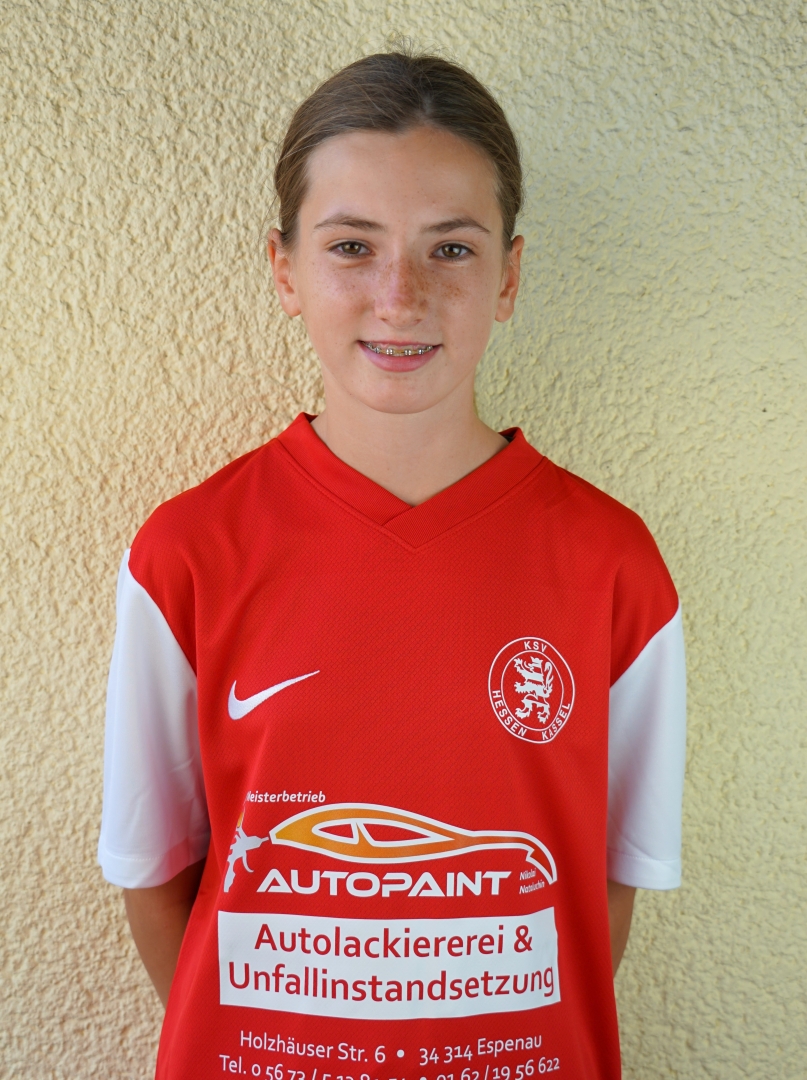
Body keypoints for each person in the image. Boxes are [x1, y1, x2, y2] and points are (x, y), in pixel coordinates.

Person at [98, 48, 686, 1080]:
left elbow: (605, 885)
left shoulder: (610, 563)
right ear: (285, 270)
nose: (399, 295)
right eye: (351, 246)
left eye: (449, 248)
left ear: (508, 277)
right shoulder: (187, 552)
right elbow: (153, 876)